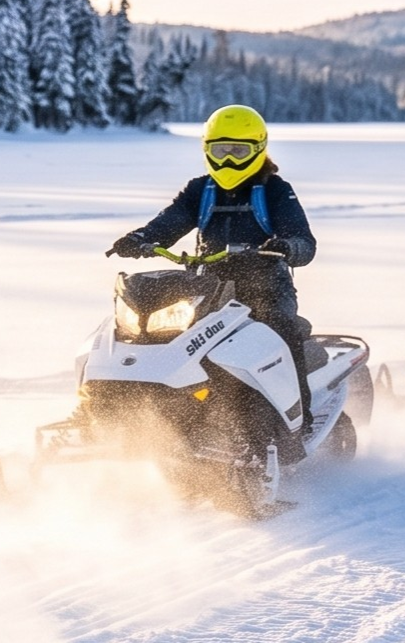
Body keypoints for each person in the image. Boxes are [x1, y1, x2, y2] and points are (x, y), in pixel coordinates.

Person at [107, 104, 321, 423]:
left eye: (238, 150)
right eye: (220, 151)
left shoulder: (276, 191)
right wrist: (140, 238)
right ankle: (153, 412)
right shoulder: (201, 190)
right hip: (209, 290)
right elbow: (170, 222)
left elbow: (305, 242)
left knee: (281, 333)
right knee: (157, 339)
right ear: (207, 150)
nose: (229, 160)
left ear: (258, 149)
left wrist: (285, 247)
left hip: (266, 291)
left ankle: (300, 420)